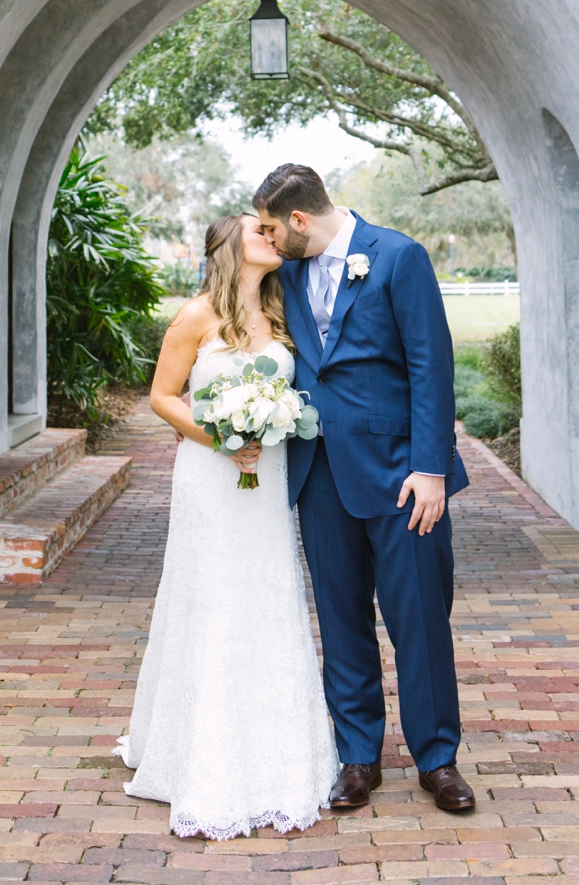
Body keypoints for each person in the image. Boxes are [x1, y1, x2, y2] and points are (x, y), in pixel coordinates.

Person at [254, 164, 475, 814]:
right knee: (341, 619)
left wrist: (430, 468)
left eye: (271, 226)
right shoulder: (285, 272)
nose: (265, 239)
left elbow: (431, 366)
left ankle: (438, 760)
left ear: (299, 219)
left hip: (403, 476)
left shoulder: (398, 256)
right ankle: (357, 758)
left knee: (420, 621)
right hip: (318, 474)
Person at [119, 213, 339, 840]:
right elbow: (163, 396)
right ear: (226, 245)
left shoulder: (285, 314)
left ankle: (278, 752)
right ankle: (202, 755)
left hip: (266, 482)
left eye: (273, 231)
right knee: (211, 599)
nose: (271, 236)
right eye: (257, 230)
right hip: (211, 479)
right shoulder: (195, 316)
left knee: (266, 596)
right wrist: (216, 437)